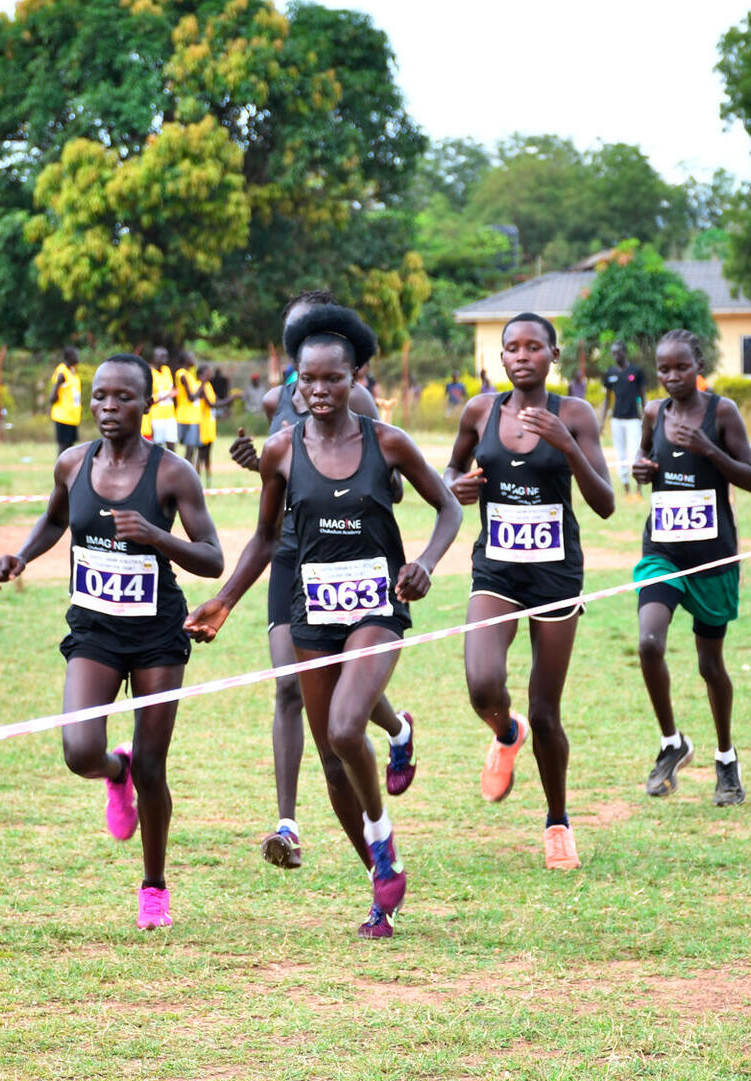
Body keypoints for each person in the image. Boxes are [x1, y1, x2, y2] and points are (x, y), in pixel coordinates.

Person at [189, 304, 461, 938]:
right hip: (311, 610)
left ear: (355, 378)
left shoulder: (385, 440)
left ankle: (385, 845)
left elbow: (447, 508)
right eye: (306, 380)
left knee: (345, 727)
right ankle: (380, 879)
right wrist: (225, 600)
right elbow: (263, 540)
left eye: (331, 380)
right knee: (333, 759)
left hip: (375, 607)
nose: (317, 391)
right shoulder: (281, 452)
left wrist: (422, 562)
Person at [0, 352, 224, 930]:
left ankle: (154, 887)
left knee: (153, 764)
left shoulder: (172, 474)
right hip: (95, 630)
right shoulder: (73, 463)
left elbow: (214, 559)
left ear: (147, 404)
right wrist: (21, 554)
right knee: (79, 750)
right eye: (99, 397)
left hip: (157, 636)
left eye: (122, 397)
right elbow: (54, 521)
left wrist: (153, 536)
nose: (108, 407)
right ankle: (111, 774)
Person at [225, 290, 420, 873]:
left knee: (343, 712)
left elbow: (389, 483)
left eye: (324, 371)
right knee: (291, 685)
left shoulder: (362, 405)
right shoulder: (272, 405)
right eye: (298, 362)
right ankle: (289, 820)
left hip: (358, 564)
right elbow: (275, 487)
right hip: (293, 558)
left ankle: (394, 729)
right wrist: (254, 463)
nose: (311, 383)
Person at [443, 313, 616, 869]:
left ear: (552, 356)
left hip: (555, 573)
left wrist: (568, 445)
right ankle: (504, 731)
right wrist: (458, 485)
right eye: (511, 348)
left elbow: (605, 501)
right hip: (496, 565)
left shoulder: (576, 414)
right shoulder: (479, 410)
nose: (522, 356)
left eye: (533, 347)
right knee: (482, 683)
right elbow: (451, 469)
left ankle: (558, 820)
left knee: (547, 711)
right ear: (502, 358)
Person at [629, 329, 751, 807]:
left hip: (713, 557)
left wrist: (707, 448)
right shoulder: (653, 412)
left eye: (681, 367)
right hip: (662, 550)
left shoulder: (722, 412)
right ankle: (672, 743)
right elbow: (645, 461)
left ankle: (726, 757)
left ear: (697, 365)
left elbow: (750, 479)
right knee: (648, 642)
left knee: (710, 665)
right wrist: (643, 472)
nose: (671, 377)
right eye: (663, 369)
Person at [599, 341, 647, 495]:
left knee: (635, 454)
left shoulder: (636, 371)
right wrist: (601, 422)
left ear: (624, 352)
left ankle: (639, 490)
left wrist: (647, 417)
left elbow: (643, 396)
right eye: (613, 353)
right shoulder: (610, 373)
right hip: (616, 420)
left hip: (633, 419)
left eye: (618, 352)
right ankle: (627, 490)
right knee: (620, 455)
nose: (615, 356)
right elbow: (607, 398)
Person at [50, 346, 83, 452]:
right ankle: (60, 468)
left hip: (72, 417)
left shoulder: (73, 371)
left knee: (70, 447)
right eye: (76, 355)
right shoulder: (62, 373)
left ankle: (69, 468)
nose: (78, 357)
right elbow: (52, 398)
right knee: (63, 447)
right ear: (69, 357)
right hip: (63, 416)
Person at [145, 347, 178, 451]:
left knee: (171, 445)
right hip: (157, 416)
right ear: (154, 358)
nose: (165, 359)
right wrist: (166, 396)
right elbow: (148, 398)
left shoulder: (167, 370)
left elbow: (171, 389)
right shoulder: (150, 373)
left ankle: (172, 467)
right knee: (157, 446)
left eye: (166, 356)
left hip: (170, 414)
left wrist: (173, 393)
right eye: (162, 356)